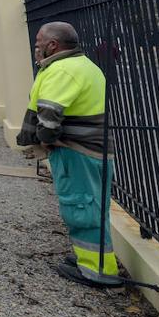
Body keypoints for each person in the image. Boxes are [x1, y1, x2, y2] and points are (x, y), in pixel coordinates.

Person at [15, 21, 121, 288]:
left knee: (80, 207)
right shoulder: (82, 65)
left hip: (77, 150)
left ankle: (96, 272)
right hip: (92, 150)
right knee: (93, 207)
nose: (36, 44)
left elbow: (50, 116)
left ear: (53, 44)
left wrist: (45, 141)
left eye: (39, 40)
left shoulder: (63, 70)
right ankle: (93, 262)